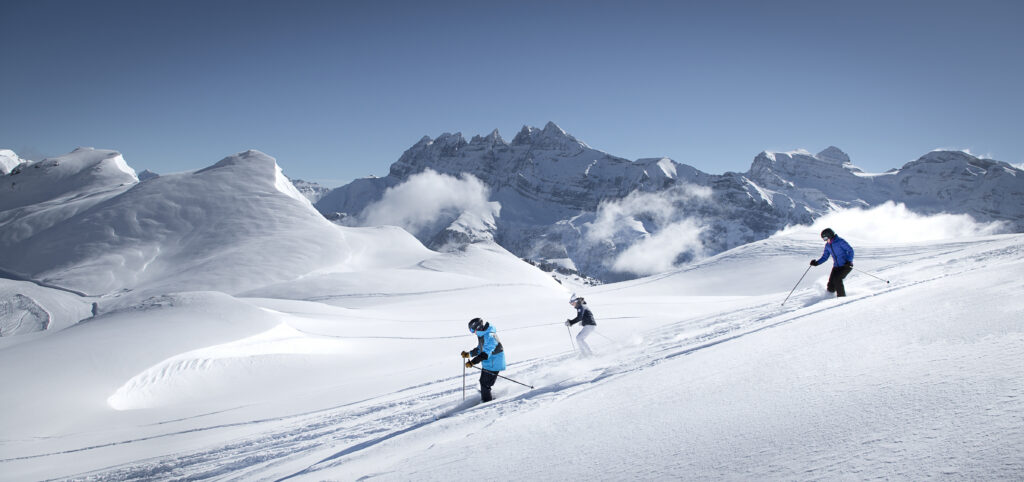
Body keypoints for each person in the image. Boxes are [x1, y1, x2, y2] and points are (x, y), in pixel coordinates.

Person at [461, 317, 506, 402]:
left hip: (494, 363)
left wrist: (472, 362)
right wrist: (469, 354)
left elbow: (485, 354)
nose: (473, 333)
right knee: (483, 382)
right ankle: (486, 395)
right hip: (489, 363)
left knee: (485, 384)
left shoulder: (490, 336)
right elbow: (480, 349)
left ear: (477, 327)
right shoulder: (483, 335)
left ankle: (487, 402)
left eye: (472, 330)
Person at [810, 227, 855, 297]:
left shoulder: (840, 241)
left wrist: (849, 261)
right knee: (831, 284)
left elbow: (850, 250)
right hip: (836, 267)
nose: (825, 240)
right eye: (824, 239)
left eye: (825, 238)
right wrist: (816, 263)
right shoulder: (828, 245)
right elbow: (825, 257)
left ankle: (841, 298)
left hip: (846, 266)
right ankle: (829, 297)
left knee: (837, 279)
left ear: (829, 235)